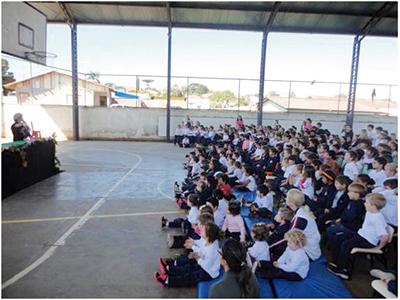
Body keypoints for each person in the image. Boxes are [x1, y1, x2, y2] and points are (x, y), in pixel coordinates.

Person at [328, 193, 389, 279]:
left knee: (346, 245)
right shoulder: (370, 212)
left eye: (366, 203)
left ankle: (344, 271)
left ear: (373, 206)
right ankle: (337, 262)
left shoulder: (378, 218)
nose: (364, 204)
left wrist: (379, 247)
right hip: (361, 235)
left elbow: (385, 236)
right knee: (338, 238)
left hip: (368, 241)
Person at [154, 222, 221, 287]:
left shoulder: (212, 250)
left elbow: (206, 265)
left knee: (189, 277)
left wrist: (197, 257)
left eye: (203, 230)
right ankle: (169, 270)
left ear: (208, 235)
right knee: (187, 268)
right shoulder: (208, 240)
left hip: (209, 273)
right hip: (203, 264)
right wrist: (194, 248)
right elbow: (202, 249)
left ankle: (167, 281)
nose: (200, 230)